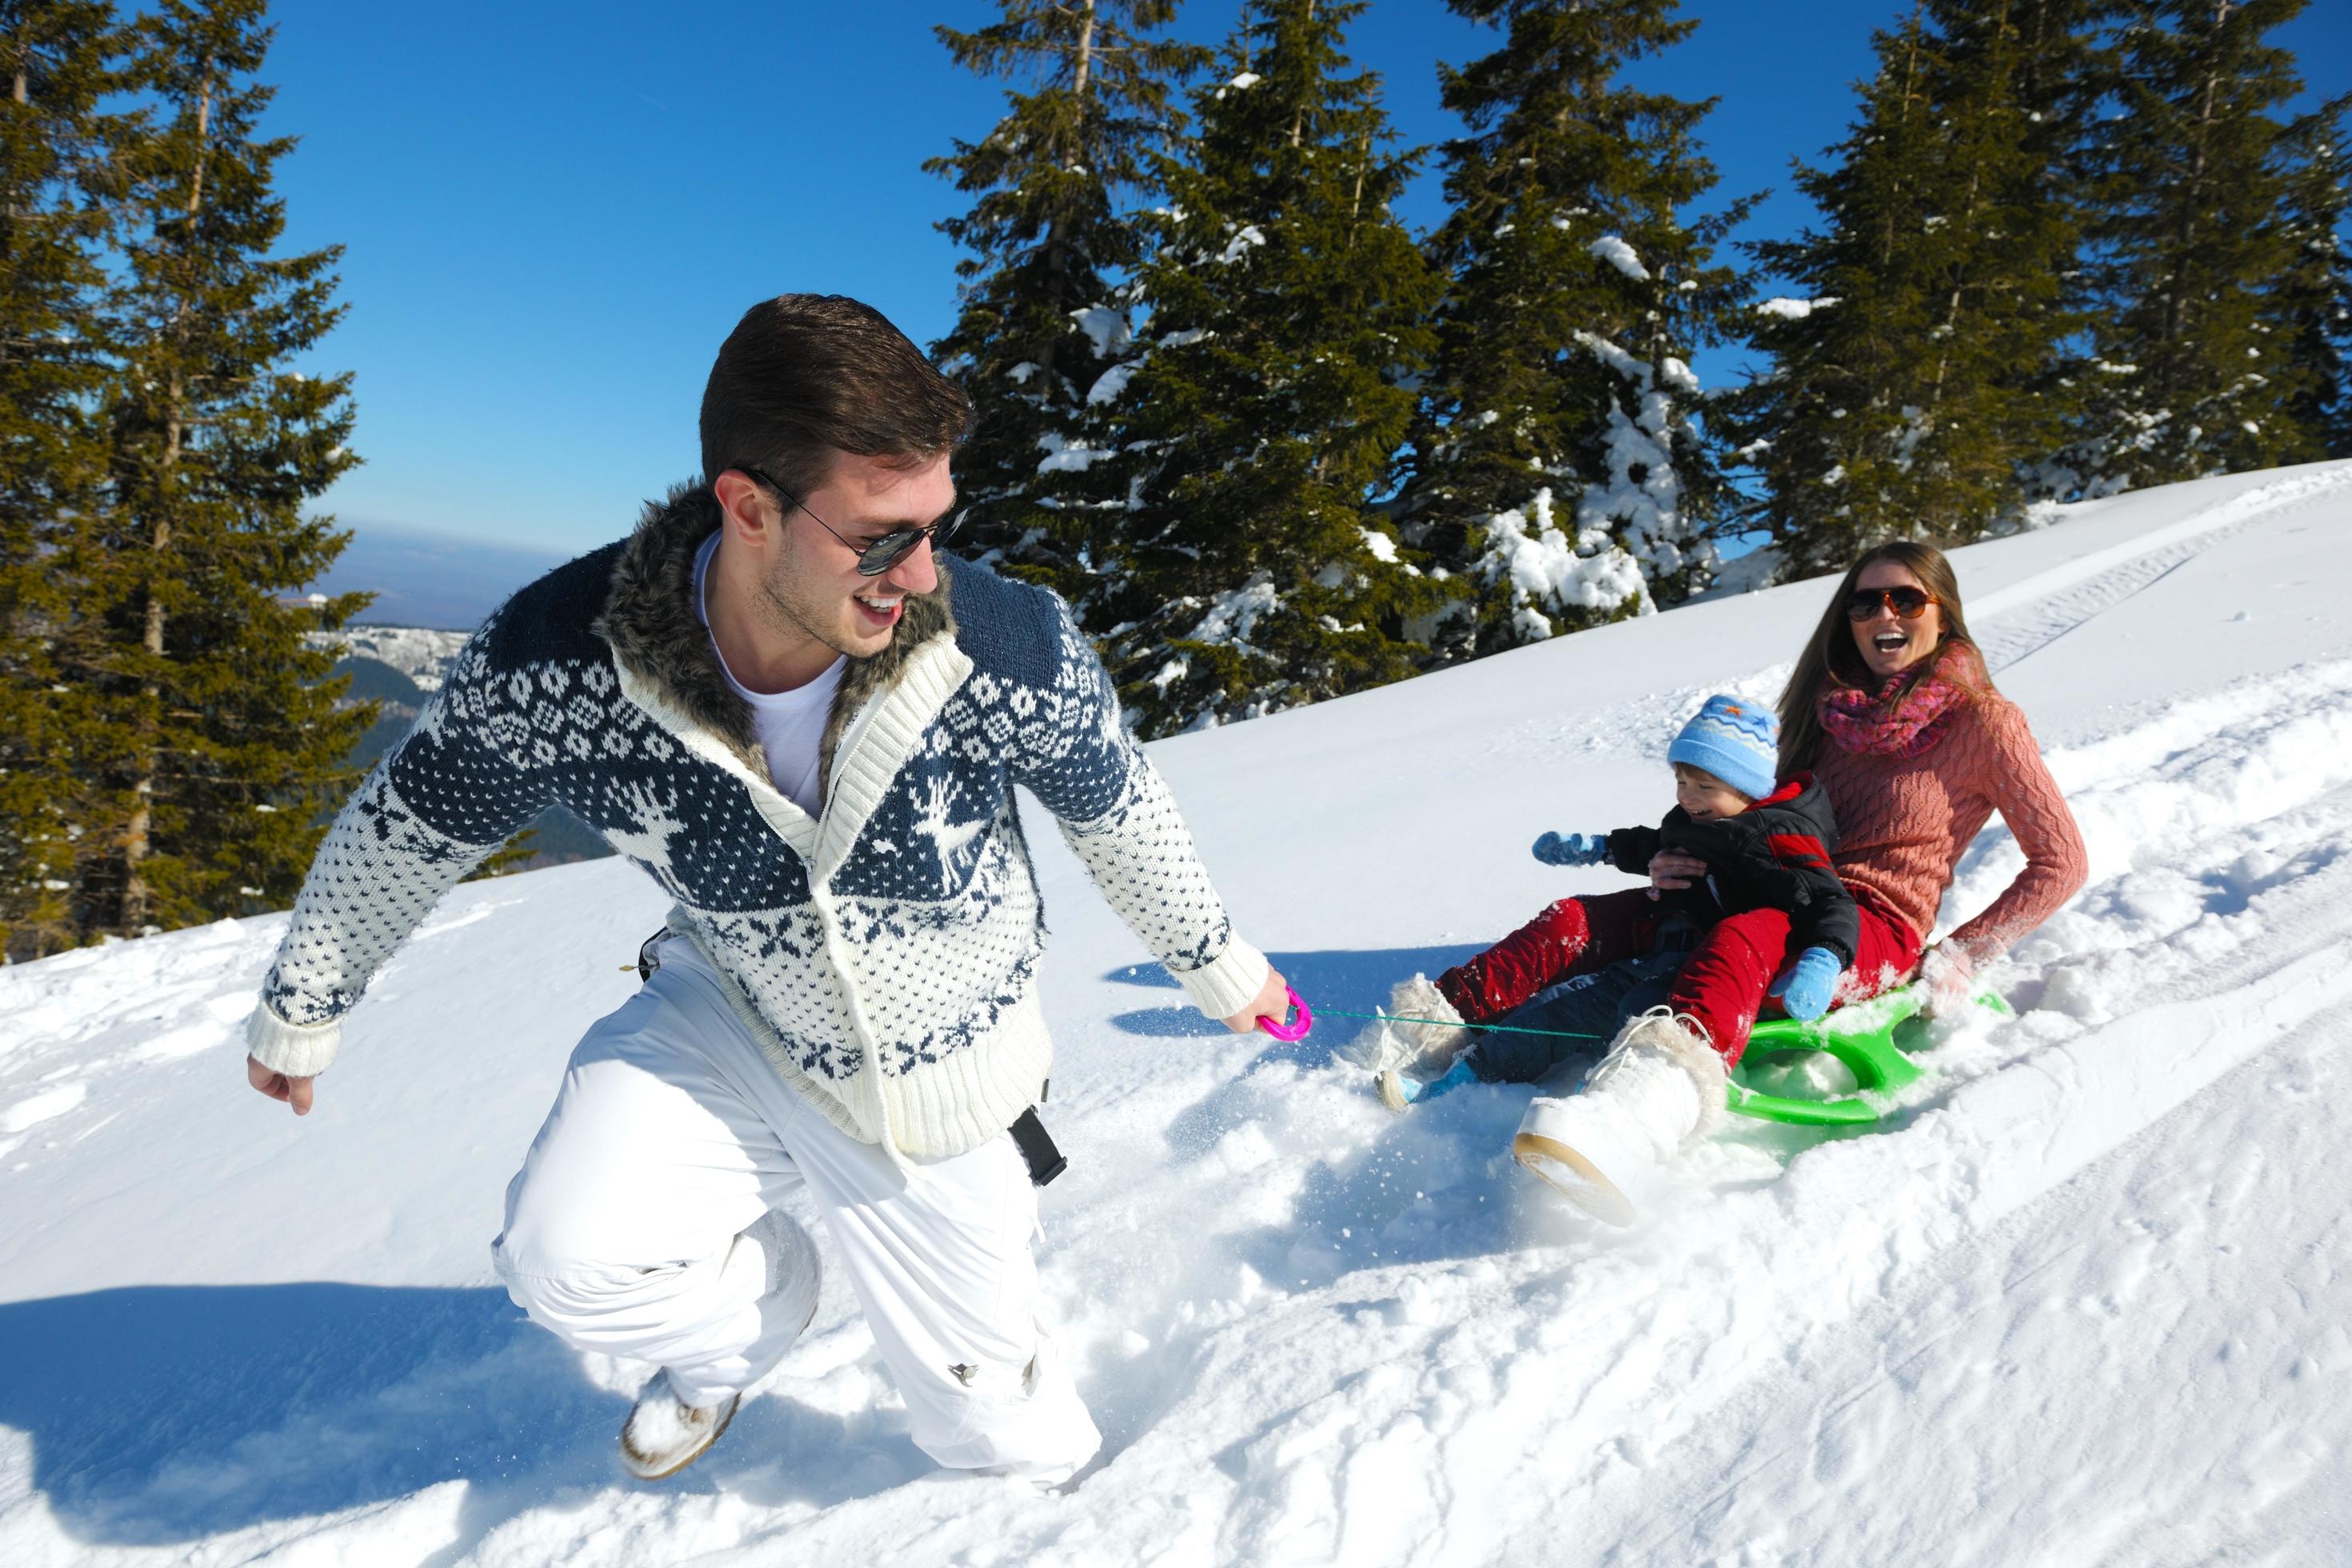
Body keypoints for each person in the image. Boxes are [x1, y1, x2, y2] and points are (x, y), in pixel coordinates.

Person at [241, 294, 1288, 1485]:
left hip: (935, 1066)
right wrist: (307, 1001)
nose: (923, 570)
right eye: (882, 535)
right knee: (561, 1257)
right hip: (737, 1006)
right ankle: (757, 1314)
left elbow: (1117, 802)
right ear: (747, 508)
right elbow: (410, 820)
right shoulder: (563, 662)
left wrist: (1222, 966)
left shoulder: (998, 643)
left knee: (1010, 1443)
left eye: (936, 523)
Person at [1507, 540, 2090, 1223]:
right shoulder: (1828, 711)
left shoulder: (1986, 721)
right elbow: (1747, 808)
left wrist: (1965, 951)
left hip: (1865, 926)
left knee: (1741, 937)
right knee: (1588, 921)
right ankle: (1449, 1039)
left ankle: (1635, 1123)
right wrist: (1679, 854)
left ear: (1944, 614)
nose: (1884, 613)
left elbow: (2062, 862)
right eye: (1865, 600)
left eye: (1905, 598)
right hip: (1763, 887)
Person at [1366, 695, 1860, 1115]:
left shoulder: (1778, 836)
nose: (1688, 798)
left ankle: (1608, 1111)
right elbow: (1657, 845)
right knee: (1559, 1013)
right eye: (1682, 782)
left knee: (1633, 1012)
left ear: (1747, 789)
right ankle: (1449, 1087)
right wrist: (1596, 847)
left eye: (1705, 786)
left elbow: (1828, 899)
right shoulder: (1702, 818)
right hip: (1670, 950)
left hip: (1717, 972)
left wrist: (1822, 960)